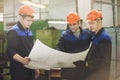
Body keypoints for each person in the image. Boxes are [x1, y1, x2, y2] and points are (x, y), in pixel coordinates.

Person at [74, 10, 112, 80]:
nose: (90, 26)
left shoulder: (104, 38)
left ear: (99, 22)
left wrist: (87, 64)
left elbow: (103, 60)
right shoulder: (95, 36)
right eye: (89, 23)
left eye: (92, 23)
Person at [6, 5, 40, 80]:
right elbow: (10, 51)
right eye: (28, 20)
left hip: (30, 69)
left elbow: (32, 51)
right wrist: (22, 60)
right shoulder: (14, 31)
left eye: (31, 21)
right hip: (19, 71)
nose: (30, 23)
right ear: (21, 18)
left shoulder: (29, 31)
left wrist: (35, 67)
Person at [56, 12, 92, 80]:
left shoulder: (87, 35)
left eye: (74, 24)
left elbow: (92, 48)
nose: (72, 27)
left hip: (82, 70)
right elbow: (59, 48)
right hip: (68, 71)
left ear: (78, 23)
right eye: (70, 25)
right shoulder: (64, 35)